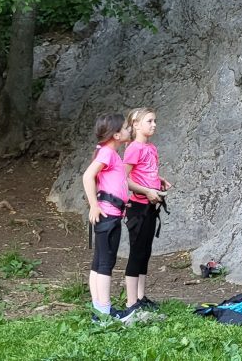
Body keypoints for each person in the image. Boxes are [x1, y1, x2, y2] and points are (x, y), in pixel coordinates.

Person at [81, 113, 134, 324]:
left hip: (112, 212)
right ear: (116, 134)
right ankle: (104, 312)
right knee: (105, 263)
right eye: (126, 128)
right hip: (107, 214)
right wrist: (94, 205)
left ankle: (99, 309)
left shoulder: (110, 153)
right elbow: (87, 176)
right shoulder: (108, 154)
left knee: (99, 262)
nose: (129, 130)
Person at [123, 107, 172, 311]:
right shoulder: (133, 148)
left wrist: (158, 182)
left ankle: (141, 297)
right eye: (149, 121)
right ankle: (131, 301)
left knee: (145, 251)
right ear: (136, 125)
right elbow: (124, 179)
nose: (154, 125)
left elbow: (145, 172)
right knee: (136, 252)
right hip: (138, 207)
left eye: (155, 121)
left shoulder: (151, 148)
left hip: (151, 205)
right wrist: (146, 190)